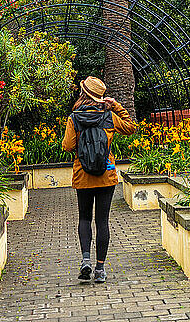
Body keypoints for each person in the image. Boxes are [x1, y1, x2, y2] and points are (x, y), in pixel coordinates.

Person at [62, 76, 136, 283]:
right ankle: (100, 269)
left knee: (84, 218)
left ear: (83, 93)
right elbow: (130, 127)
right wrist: (116, 106)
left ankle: (85, 260)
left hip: (82, 176)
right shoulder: (109, 116)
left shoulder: (74, 118)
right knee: (102, 221)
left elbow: (67, 146)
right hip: (106, 175)